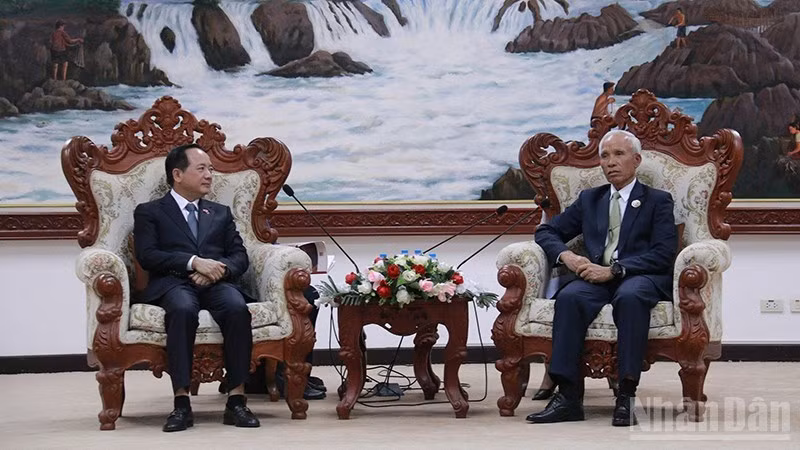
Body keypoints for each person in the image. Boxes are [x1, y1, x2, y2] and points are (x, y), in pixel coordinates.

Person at [527, 130, 678, 426]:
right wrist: (568, 257)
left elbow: (663, 253)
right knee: (570, 297)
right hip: (595, 277)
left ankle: (626, 394)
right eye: (605, 156)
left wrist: (615, 270)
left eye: (619, 154)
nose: (611, 162)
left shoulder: (657, 201)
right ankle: (569, 397)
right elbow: (546, 232)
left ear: (636, 160)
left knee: (631, 297)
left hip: (639, 277)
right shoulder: (590, 199)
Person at [134, 143, 260, 432]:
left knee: (236, 308)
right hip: (174, 282)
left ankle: (237, 401)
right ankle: (181, 405)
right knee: (181, 309)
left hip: (217, 281)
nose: (209, 175)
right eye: (201, 169)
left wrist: (217, 270)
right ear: (177, 174)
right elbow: (147, 254)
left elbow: (240, 256)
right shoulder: (150, 212)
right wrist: (193, 262)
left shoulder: (220, 212)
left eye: (211, 169)